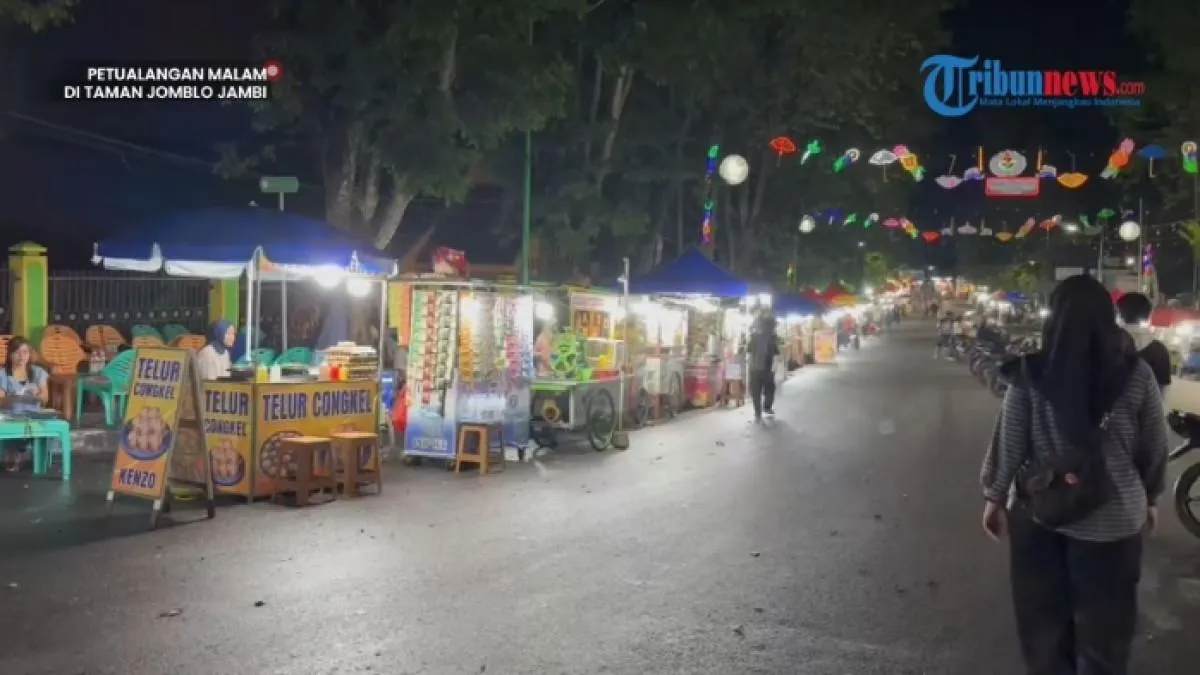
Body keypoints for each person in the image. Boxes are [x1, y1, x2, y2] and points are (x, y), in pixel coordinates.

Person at [980, 274, 1168, 674]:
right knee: (1106, 634)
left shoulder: (1032, 373)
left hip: (1040, 515)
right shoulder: (1137, 374)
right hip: (1116, 520)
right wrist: (1150, 497)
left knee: (1044, 629)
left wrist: (994, 497)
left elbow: (1010, 441)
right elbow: (1154, 444)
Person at [0, 337, 50, 471]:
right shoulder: (3, 374)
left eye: (25, 352)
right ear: (10, 354)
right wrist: (12, 398)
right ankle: (17, 453)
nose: (21, 356)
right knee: (12, 425)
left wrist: (37, 394)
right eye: (17, 352)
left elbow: (45, 399)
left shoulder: (37, 372)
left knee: (35, 424)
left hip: (33, 415)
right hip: (11, 415)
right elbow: (1, 401)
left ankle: (20, 453)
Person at [1115, 292, 1171, 389]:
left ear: (1119, 314)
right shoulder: (1160, 351)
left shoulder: (1107, 345)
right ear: (1149, 315)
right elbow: (1162, 391)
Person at [747, 313, 778, 420]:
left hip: (755, 368)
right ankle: (766, 407)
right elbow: (775, 354)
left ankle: (758, 412)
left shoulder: (754, 337)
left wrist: (750, 366)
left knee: (756, 391)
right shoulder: (772, 337)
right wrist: (774, 368)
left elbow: (749, 354)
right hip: (767, 368)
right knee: (770, 389)